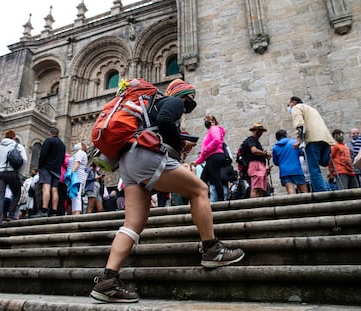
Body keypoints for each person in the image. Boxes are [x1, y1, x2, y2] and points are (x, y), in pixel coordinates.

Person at [90, 79, 244, 303]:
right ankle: (212, 249)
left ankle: (108, 280)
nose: (190, 104)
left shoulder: (145, 106)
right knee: (200, 189)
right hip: (145, 154)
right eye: (190, 99)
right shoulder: (173, 101)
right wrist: (179, 145)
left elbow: (157, 125)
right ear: (187, 96)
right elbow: (164, 121)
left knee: (133, 224)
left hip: (127, 161)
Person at [287, 96, 335, 192]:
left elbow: (299, 124)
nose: (288, 107)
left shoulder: (296, 108)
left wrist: (298, 140)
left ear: (294, 102)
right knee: (322, 163)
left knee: (313, 168)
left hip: (313, 139)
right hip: (326, 139)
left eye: (288, 105)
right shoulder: (311, 109)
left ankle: (322, 192)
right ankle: (325, 187)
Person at [0, 130, 27, 228]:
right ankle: (11, 214)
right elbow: (24, 161)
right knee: (17, 192)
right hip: (12, 173)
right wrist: (19, 173)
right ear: (14, 137)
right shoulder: (18, 146)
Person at [194, 115, 226, 201]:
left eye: (210, 120)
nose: (208, 122)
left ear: (214, 121)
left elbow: (217, 140)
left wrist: (206, 149)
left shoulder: (214, 129)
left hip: (214, 156)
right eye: (206, 120)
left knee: (215, 179)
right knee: (203, 180)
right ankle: (202, 200)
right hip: (210, 157)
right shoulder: (209, 132)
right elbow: (203, 153)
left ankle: (221, 200)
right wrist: (197, 162)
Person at [37, 127, 66, 217]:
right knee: (54, 190)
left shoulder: (48, 141)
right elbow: (62, 158)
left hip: (47, 168)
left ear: (50, 133)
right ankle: (54, 210)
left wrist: (40, 166)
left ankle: (44, 210)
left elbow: (43, 154)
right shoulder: (62, 145)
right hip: (57, 170)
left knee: (46, 188)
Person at [272, 129, 308, 194]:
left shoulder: (275, 148)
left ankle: (294, 204)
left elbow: (276, 162)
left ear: (277, 138)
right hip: (296, 170)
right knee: (303, 190)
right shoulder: (294, 142)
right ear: (286, 135)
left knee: (290, 190)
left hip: (284, 172)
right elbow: (301, 153)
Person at [243, 123, 272, 198]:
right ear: (255, 131)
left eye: (261, 131)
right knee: (255, 188)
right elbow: (254, 151)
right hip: (255, 165)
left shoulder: (255, 141)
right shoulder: (251, 140)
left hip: (259, 165)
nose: (260, 133)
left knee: (261, 188)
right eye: (259, 131)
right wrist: (265, 153)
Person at [67, 142, 88, 215]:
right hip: (77, 175)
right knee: (74, 194)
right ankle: (75, 211)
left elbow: (77, 163)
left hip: (77, 175)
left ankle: (77, 212)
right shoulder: (80, 153)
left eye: (79, 144)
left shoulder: (80, 152)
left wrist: (71, 173)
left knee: (77, 193)